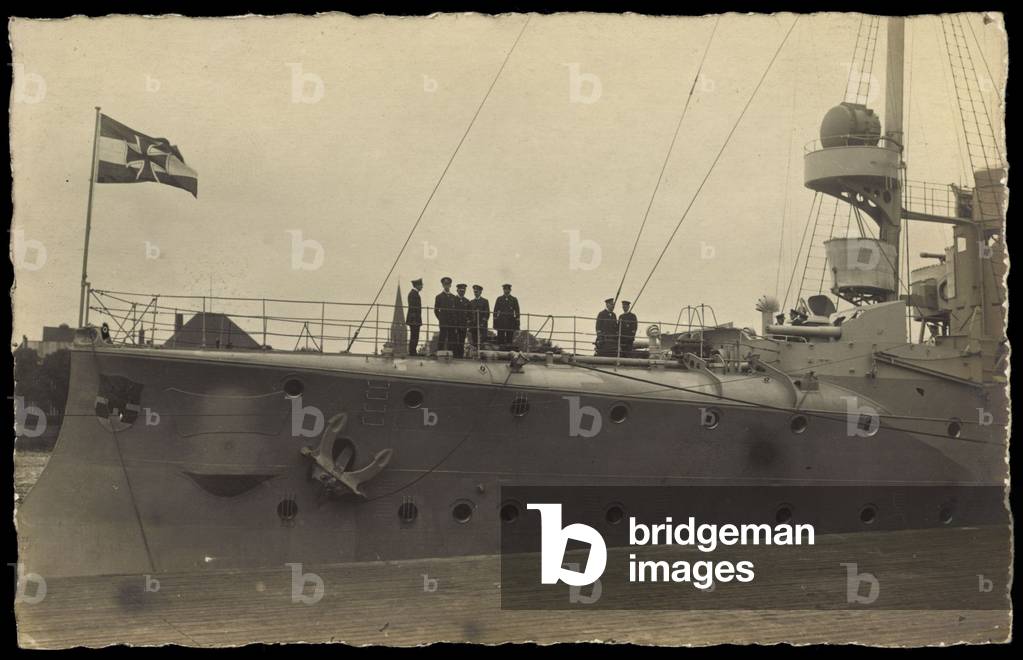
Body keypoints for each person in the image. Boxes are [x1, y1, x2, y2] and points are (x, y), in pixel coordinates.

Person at [434, 277, 457, 353]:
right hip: (443, 321)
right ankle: (440, 352)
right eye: (445, 284)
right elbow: (436, 310)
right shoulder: (439, 297)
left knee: (451, 337)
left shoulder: (454, 297)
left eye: (448, 284)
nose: (446, 286)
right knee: (442, 336)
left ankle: (451, 352)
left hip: (452, 321)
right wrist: (440, 318)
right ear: (443, 285)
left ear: (450, 285)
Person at [493, 283, 520, 348]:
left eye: (508, 289)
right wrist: (495, 322)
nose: (506, 291)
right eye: (505, 289)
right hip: (501, 321)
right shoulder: (499, 299)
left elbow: (517, 311)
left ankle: (508, 353)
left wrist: (517, 323)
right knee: (500, 338)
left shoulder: (514, 299)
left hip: (510, 321)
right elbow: (495, 311)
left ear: (510, 290)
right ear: (503, 290)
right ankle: (501, 353)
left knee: (509, 339)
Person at [469, 284, 490, 350]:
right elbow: (469, 313)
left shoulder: (485, 301)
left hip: (482, 326)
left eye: (477, 291)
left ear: (480, 292)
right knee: (474, 341)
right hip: (474, 326)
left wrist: (482, 323)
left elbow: (487, 313)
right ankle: (475, 357)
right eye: (475, 291)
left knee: (482, 342)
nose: (476, 293)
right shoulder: (471, 302)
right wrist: (470, 323)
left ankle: (482, 356)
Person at [406, 278, 424, 355]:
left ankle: (413, 351)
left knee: (414, 335)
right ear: (417, 285)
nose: (422, 286)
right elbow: (414, 308)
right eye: (421, 285)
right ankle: (412, 351)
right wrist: (415, 320)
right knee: (414, 335)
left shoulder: (413, 293)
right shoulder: (413, 294)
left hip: (414, 319)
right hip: (414, 319)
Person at [452, 283, 471, 358]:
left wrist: (468, 322)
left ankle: (460, 356)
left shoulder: (467, 301)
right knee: (454, 341)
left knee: (461, 342)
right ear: (457, 290)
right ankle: (454, 356)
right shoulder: (453, 299)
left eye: (463, 291)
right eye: (460, 290)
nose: (462, 292)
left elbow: (470, 314)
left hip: (463, 325)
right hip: (454, 325)